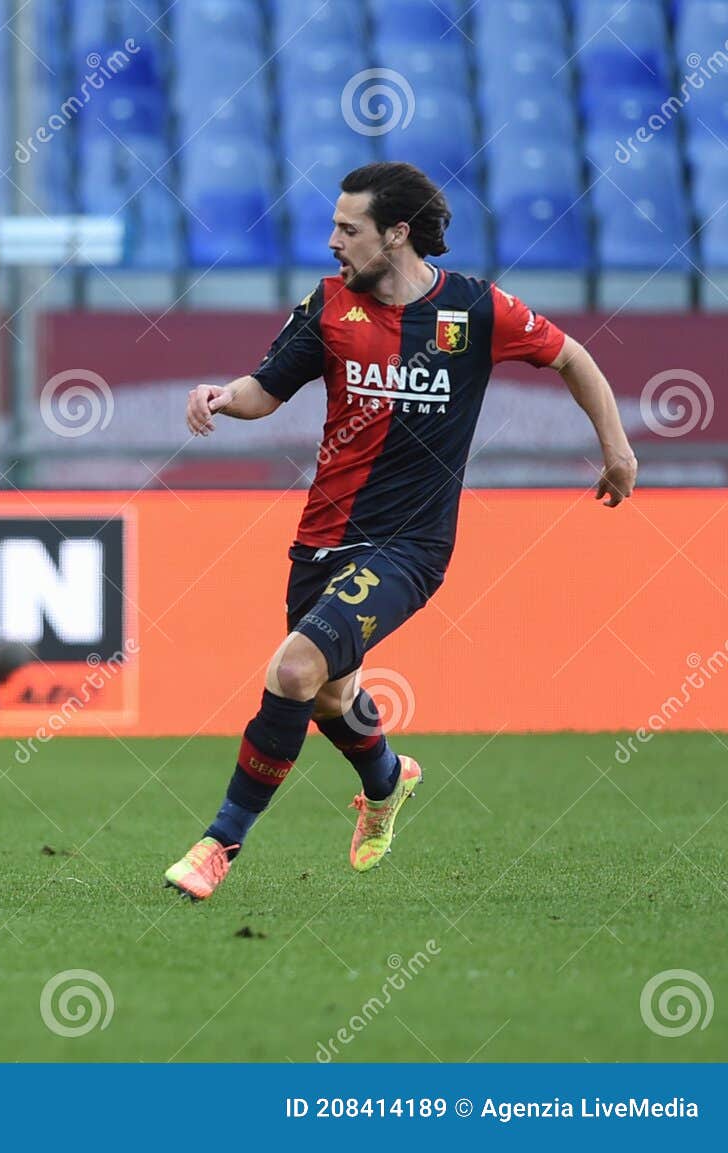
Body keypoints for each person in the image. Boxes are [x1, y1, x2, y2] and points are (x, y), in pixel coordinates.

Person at [165, 162, 638, 900]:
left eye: (348, 230)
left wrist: (616, 447)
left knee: (293, 670)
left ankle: (219, 843)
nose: (333, 242)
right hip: (322, 537)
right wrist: (221, 396)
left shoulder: (476, 310)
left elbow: (572, 356)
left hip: (412, 547)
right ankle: (388, 781)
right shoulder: (328, 308)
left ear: (396, 234)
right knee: (325, 697)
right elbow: (267, 388)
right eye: (333, 228)